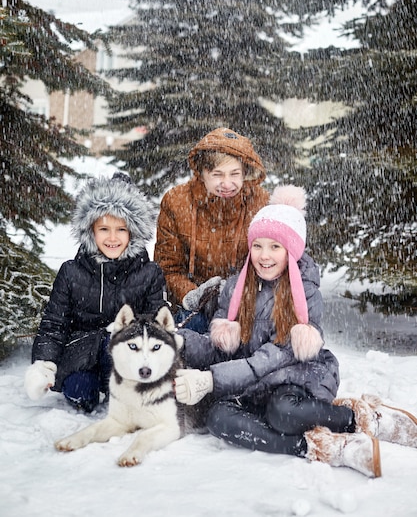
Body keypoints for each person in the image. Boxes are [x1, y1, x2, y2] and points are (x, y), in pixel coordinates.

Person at [174, 185, 417, 477]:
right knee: (219, 418)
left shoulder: (306, 292)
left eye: (275, 247)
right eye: (258, 246)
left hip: (296, 376)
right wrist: (178, 341)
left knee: (284, 413)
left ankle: (361, 418)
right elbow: (221, 346)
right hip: (250, 384)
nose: (264, 256)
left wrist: (212, 379)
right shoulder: (236, 288)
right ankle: (319, 447)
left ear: (291, 250)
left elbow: (277, 357)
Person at [24, 173, 167, 413]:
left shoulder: (149, 273)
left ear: (133, 232)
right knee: (81, 391)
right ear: (91, 230)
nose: (112, 238)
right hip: (81, 356)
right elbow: (54, 325)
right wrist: (44, 365)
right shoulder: (71, 272)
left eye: (121, 229)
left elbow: (156, 327)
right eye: (104, 229)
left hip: (125, 359)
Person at [154, 127, 270, 331]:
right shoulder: (176, 202)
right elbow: (168, 267)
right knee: (190, 339)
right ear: (202, 173)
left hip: (244, 304)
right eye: (217, 174)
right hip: (192, 306)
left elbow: (273, 262)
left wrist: (241, 293)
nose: (227, 184)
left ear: (245, 173)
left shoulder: (260, 203)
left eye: (234, 174)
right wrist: (192, 295)